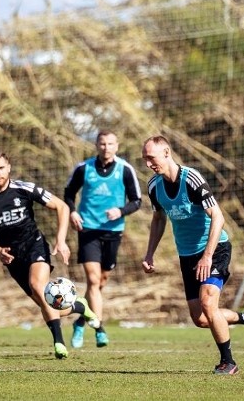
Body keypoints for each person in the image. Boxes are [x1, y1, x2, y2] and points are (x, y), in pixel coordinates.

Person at [140, 135, 244, 375]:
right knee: (201, 318)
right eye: (145, 159)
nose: (148, 164)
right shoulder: (153, 186)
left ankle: (228, 362)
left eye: (151, 158)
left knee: (208, 301)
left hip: (214, 248)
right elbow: (158, 218)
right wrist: (150, 253)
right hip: (187, 255)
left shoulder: (191, 178)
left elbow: (218, 217)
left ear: (167, 153)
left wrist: (208, 256)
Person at [0, 151, 100, 359]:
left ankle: (59, 342)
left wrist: (60, 239)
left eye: (1, 168)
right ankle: (78, 306)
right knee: (46, 302)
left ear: (9, 167)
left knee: (37, 286)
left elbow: (61, 206)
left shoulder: (24, 189)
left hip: (35, 245)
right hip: (12, 258)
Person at [63, 130, 142, 349]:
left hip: (113, 231)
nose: (106, 147)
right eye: (102, 143)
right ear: (96, 145)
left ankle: (80, 321)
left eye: (110, 143)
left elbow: (137, 201)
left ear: (117, 146)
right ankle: (99, 330)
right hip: (88, 229)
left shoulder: (125, 170)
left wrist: (121, 210)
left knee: (101, 282)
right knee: (94, 281)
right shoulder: (83, 168)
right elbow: (68, 193)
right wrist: (72, 212)